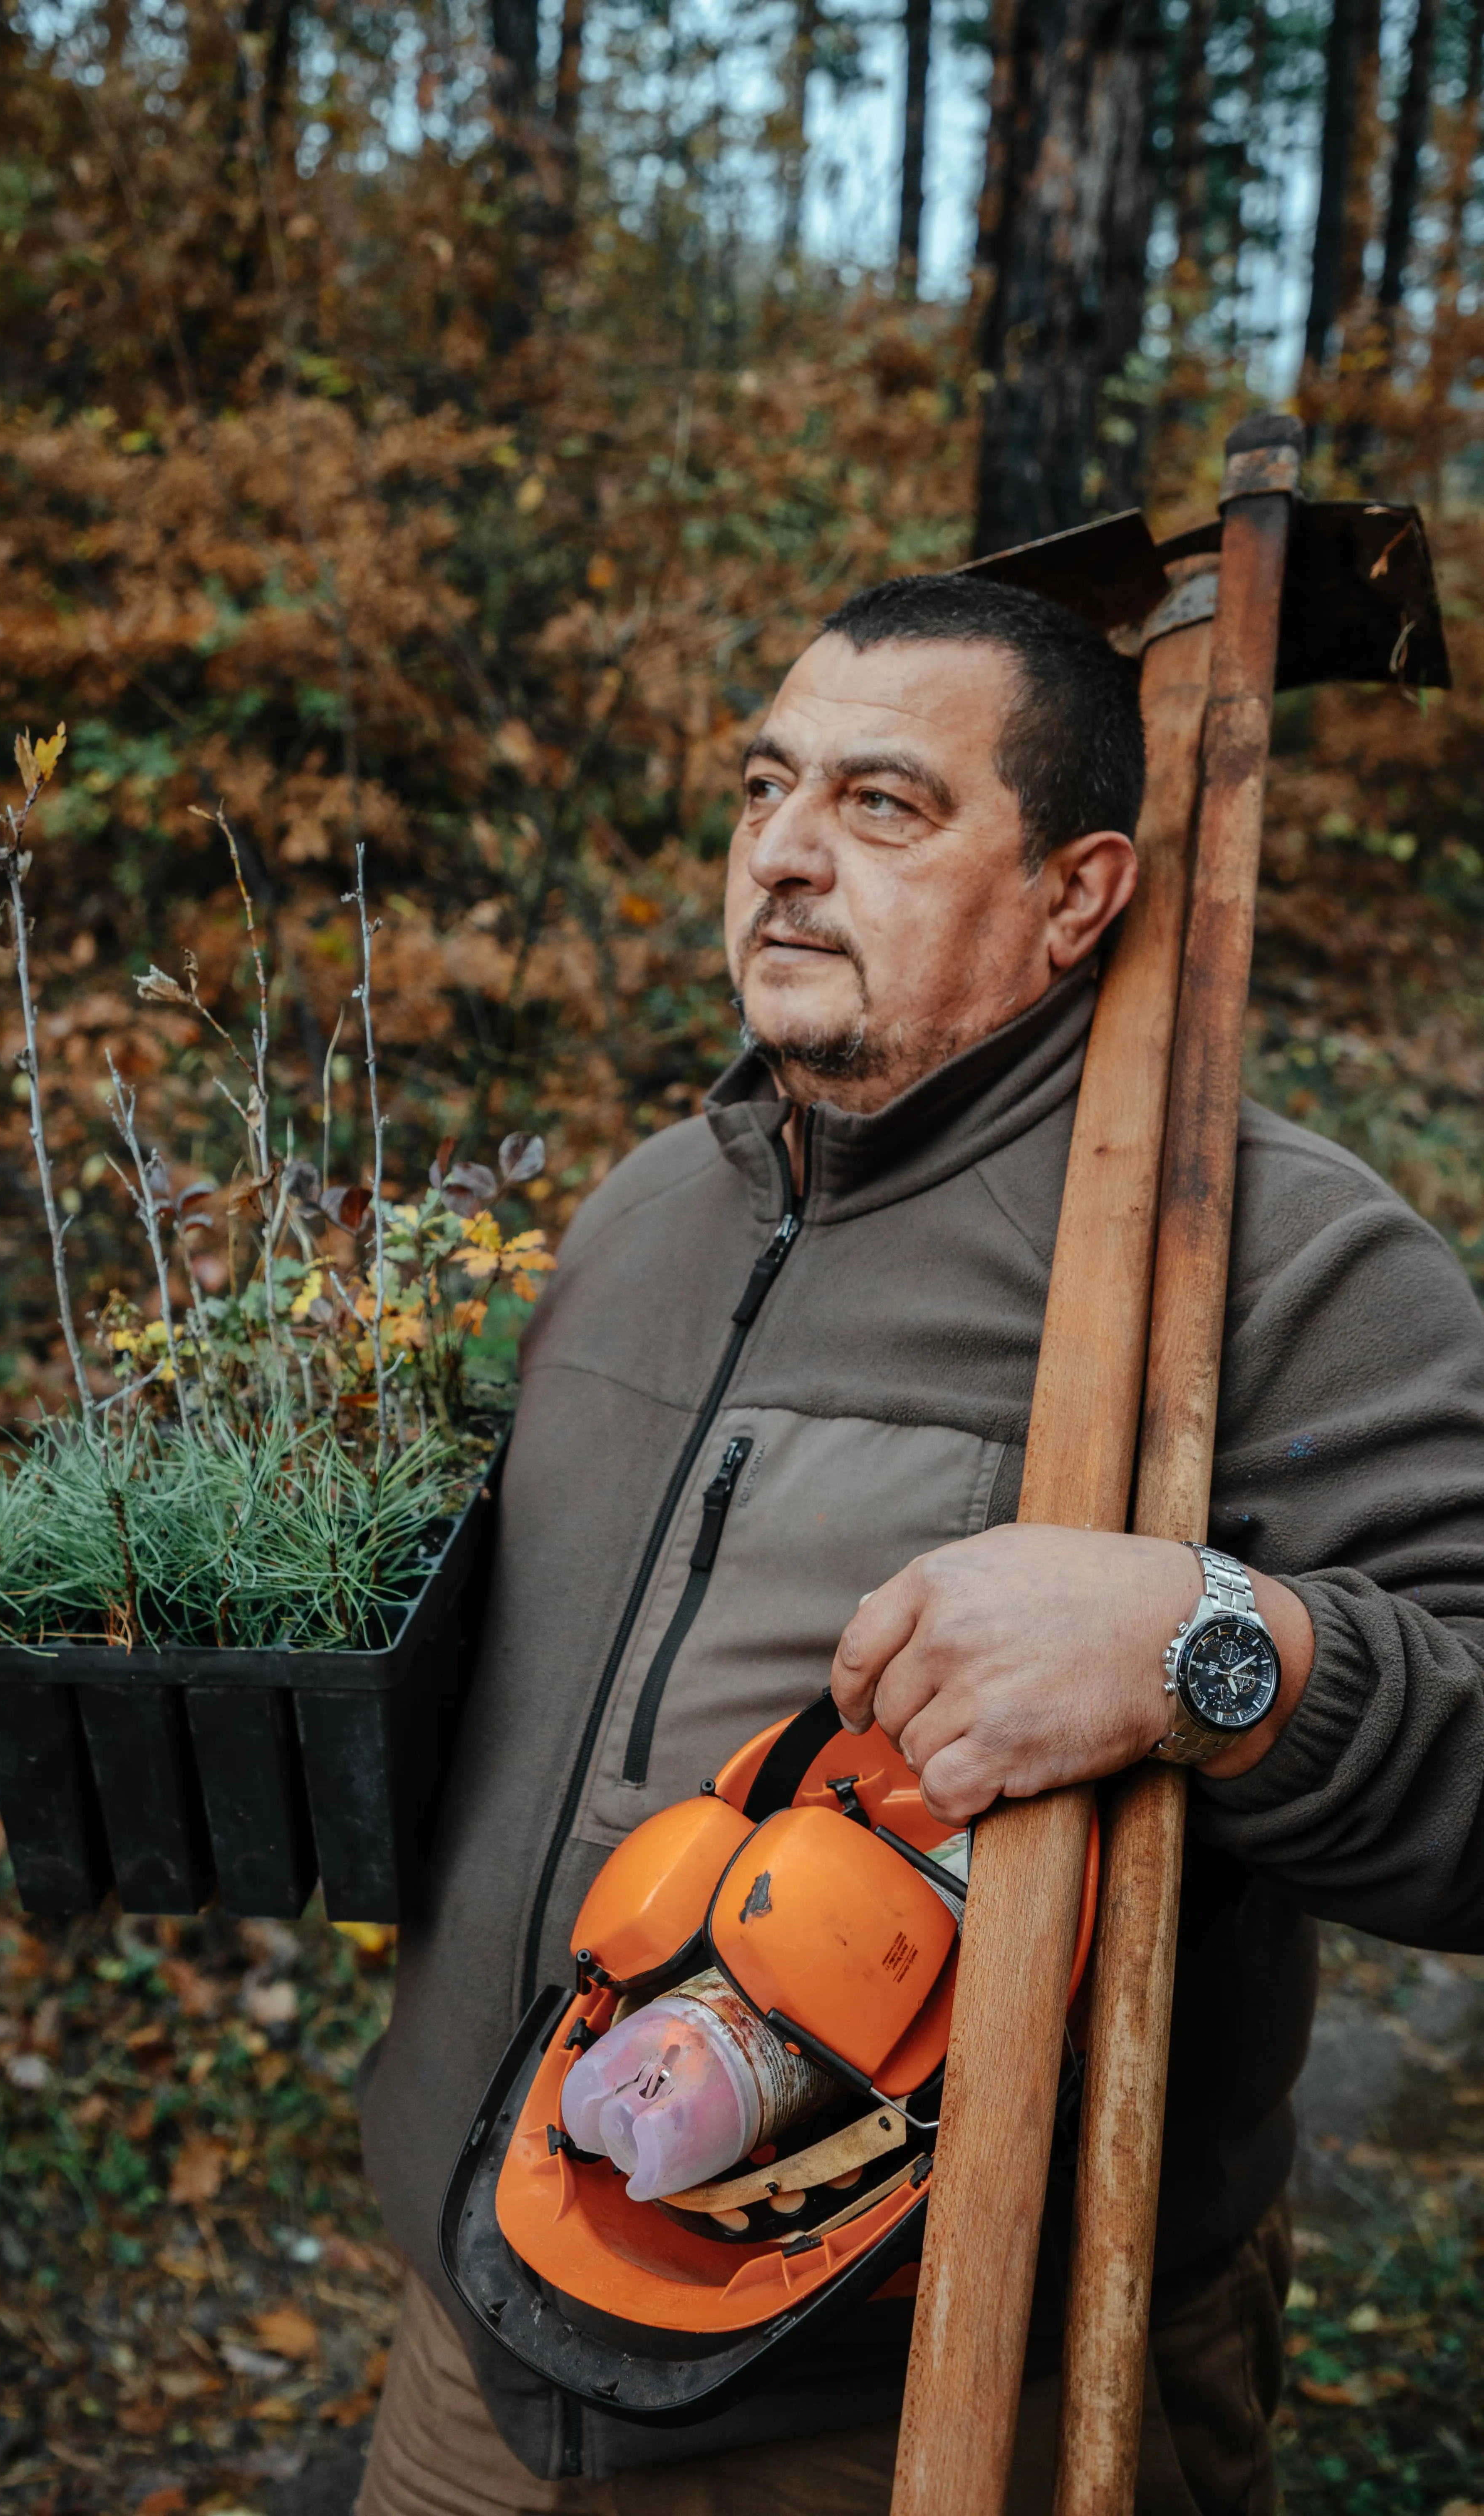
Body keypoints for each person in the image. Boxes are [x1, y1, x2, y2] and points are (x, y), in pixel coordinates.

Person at [353, 574, 1484, 2515]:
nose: (783, 856)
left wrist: (1215, 1645)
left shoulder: (1263, 1263)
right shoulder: (642, 1218)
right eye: (763, 786)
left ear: (1074, 891)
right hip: (480, 2333)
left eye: (882, 807)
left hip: (927, 2406)